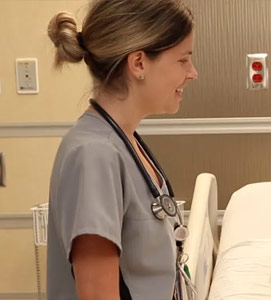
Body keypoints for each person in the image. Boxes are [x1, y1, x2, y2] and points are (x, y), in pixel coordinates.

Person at [45, 0, 198, 299]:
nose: (193, 73)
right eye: (183, 60)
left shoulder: (125, 142)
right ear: (139, 63)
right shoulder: (94, 155)